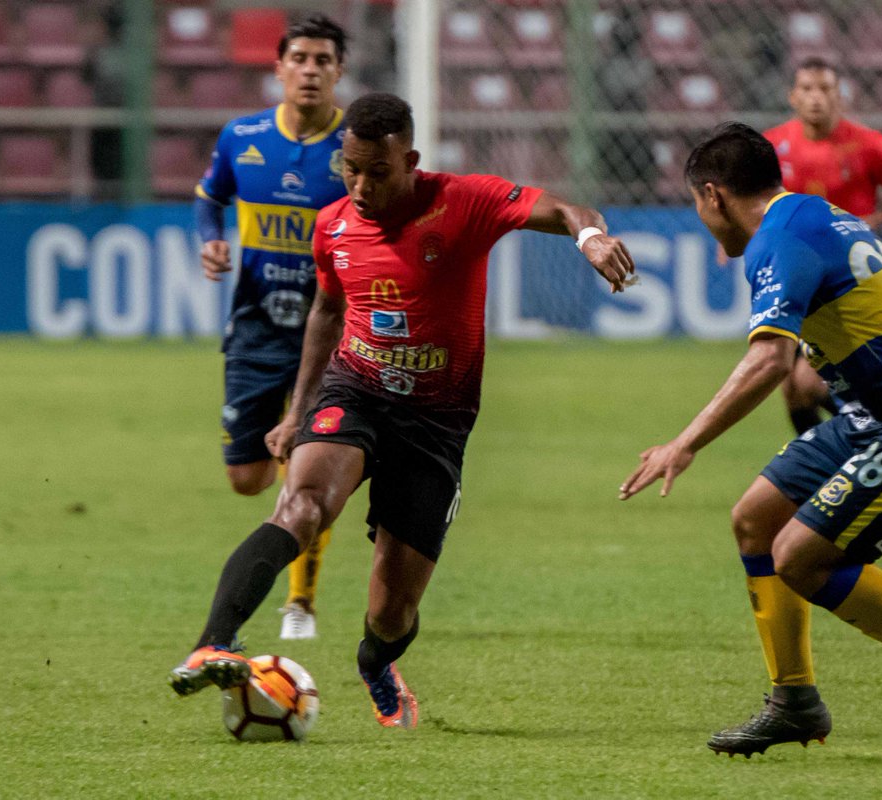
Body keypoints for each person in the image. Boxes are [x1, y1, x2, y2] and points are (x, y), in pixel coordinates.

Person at [170, 92, 636, 729]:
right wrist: (298, 411)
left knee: (392, 612)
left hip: (436, 422)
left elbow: (558, 207)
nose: (360, 187)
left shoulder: (463, 200)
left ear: (410, 159)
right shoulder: (332, 224)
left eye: (377, 172)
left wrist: (588, 236)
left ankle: (375, 661)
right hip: (354, 391)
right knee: (302, 505)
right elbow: (327, 313)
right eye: (350, 170)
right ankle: (214, 643)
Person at [619, 123, 882, 756]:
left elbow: (770, 361)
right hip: (873, 416)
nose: (701, 218)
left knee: (799, 557)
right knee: (755, 521)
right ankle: (793, 701)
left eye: (696, 204)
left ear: (712, 195)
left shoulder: (779, 240)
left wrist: (683, 443)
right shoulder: (815, 214)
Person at [194, 15, 350, 640]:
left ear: (339, 72)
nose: (311, 70)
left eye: (323, 60)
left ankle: (300, 602)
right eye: (301, 58)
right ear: (280, 68)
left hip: (335, 330)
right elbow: (209, 199)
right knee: (246, 477)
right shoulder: (243, 137)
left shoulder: (356, 150)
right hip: (258, 326)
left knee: (306, 459)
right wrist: (210, 242)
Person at [764, 57, 882, 435]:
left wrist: (867, 225)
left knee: (810, 382)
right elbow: (757, 204)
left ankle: (879, 437)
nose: (816, 97)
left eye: (825, 89)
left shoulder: (869, 145)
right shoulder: (771, 146)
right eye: (807, 89)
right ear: (792, 97)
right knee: (793, 392)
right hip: (799, 278)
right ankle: (831, 459)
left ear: (840, 96)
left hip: (848, 280)